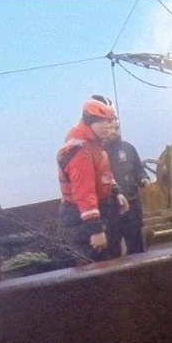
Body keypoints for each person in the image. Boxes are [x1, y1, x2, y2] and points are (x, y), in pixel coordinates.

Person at [56, 97, 128, 264]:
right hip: (80, 221)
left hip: (97, 212)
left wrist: (116, 191)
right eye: (101, 121)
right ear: (88, 121)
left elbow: (103, 174)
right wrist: (95, 230)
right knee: (92, 267)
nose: (107, 126)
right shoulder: (80, 151)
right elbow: (84, 192)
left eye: (109, 120)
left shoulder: (94, 144)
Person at [104, 118, 151, 257]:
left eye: (116, 128)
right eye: (110, 128)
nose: (113, 131)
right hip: (111, 209)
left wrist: (144, 179)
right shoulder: (100, 152)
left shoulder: (128, 148)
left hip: (132, 205)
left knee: (137, 246)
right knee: (112, 249)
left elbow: (139, 170)